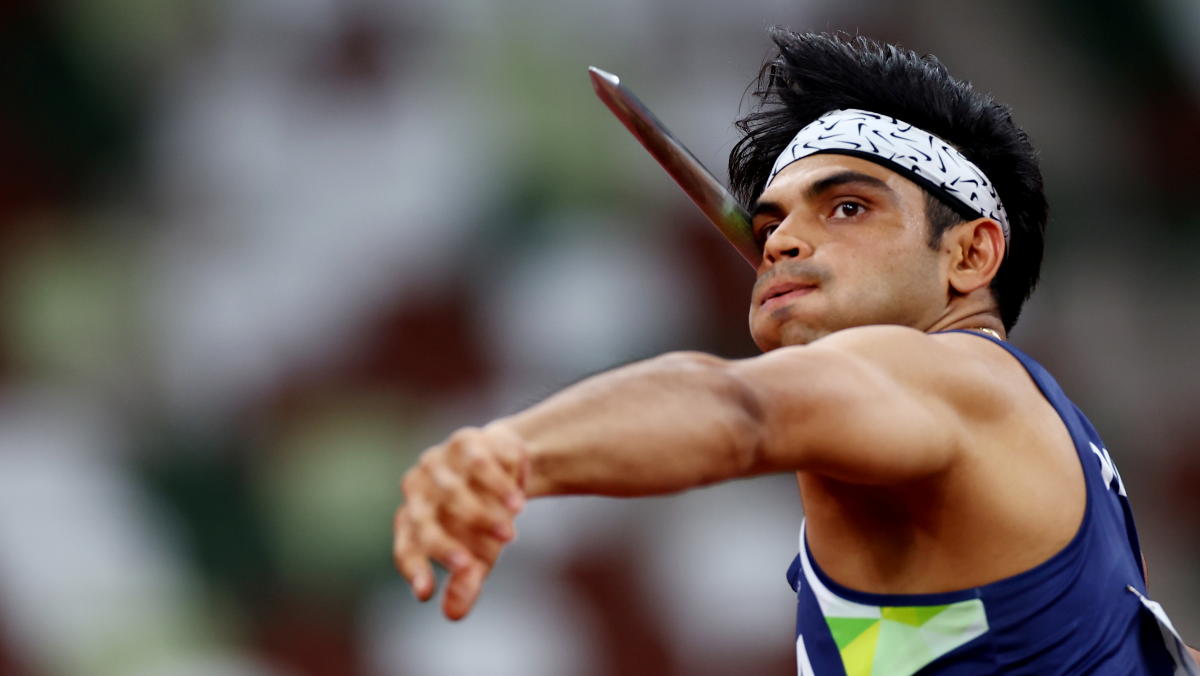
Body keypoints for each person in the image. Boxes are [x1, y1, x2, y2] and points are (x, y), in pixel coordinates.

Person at [392, 30, 1199, 674]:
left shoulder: (954, 378)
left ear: (969, 257)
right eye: (773, 224)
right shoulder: (1053, 448)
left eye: (847, 208)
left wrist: (515, 448)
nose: (784, 243)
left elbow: (737, 409)